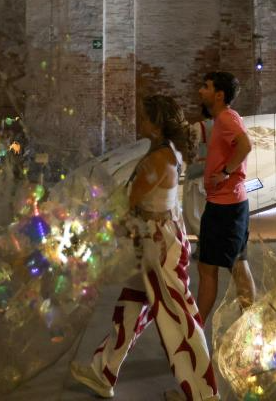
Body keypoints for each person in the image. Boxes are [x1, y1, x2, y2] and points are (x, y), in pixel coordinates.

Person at [71, 95, 218, 401]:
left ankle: (203, 393)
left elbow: (129, 202)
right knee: (132, 304)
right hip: (159, 239)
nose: (140, 121)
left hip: (159, 246)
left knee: (179, 315)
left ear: (156, 124)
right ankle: (103, 372)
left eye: (145, 117)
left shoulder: (158, 159)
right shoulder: (169, 152)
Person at [196, 71, 257, 322]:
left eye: (206, 86)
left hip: (227, 206)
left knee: (234, 267)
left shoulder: (226, 118)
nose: (201, 91)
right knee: (209, 267)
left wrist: (225, 172)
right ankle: (196, 329)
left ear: (219, 95)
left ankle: (248, 329)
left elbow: (246, 145)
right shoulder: (224, 118)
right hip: (223, 204)